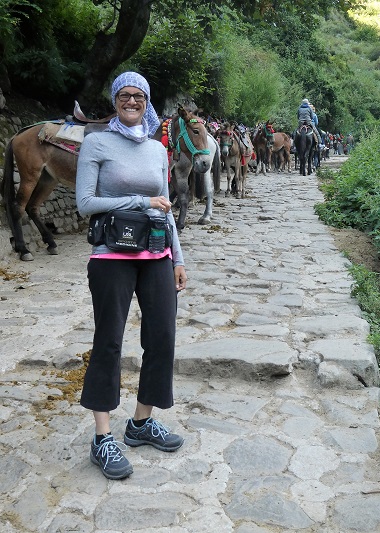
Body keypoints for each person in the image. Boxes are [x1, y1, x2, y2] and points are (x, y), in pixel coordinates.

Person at [75, 71, 187, 480]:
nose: (132, 101)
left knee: (162, 337)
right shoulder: (97, 142)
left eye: (139, 95)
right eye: (124, 95)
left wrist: (177, 257)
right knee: (109, 341)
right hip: (110, 256)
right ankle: (103, 437)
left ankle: (140, 423)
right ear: (114, 100)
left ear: (147, 100)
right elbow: (85, 202)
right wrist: (140, 199)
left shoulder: (158, 149)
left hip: (156, 252)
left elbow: (167, 207)